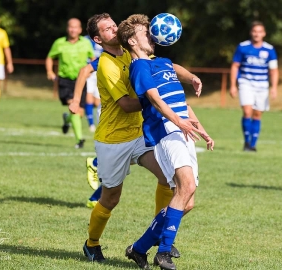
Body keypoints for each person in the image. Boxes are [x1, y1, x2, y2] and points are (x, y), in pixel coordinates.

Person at [73, 13, 205, 264]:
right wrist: (154, 97)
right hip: (113, 139)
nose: (114, 29)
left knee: (172, 181)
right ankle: (92, 243)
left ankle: (160, 236)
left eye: (114, 25)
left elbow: (166, 66)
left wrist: (189, 77)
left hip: (140, 135)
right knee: (111, 198)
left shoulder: (131, 49)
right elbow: (125, 104)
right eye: (107, 29)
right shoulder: (106, 64)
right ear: (98, 39)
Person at [116, 14, 214, 269]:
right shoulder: (140, 67)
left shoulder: (161, 62)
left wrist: (201, 129)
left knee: (187, 200)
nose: (150, 34)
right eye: (144, 32)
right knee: (186, 186)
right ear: (131, 40)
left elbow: (182, 100)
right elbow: (153, 97)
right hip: (165, 130)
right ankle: (164, 252)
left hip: (181, 130)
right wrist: (178, 122)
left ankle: (138, 249)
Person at [46, 18, 95, 149]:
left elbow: (93, 58)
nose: (73, 30)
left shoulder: (86, 43)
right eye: (70, 27)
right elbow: (50, 57)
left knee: (79, 113)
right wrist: (50, 72)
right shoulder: (59, 43)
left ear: (80, 30)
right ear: (67, 28)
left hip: (81, 80)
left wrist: (90, 70)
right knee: (75, 108)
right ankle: (80, 140)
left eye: (75, 27)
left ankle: (66, 119)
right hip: (65, 81)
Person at [230, 21, 279, 152]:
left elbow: (274, 70)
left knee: (257, 114)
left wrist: (274, 87)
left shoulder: (269, 49)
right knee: (247, 111)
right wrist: (233, 85)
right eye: (254, 31)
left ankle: (253, 144)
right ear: (251, 33)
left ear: (264, 33)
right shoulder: (243, 47)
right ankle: (246, 143)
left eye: (259, 31)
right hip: (246, 83)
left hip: (262, 86)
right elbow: (235, 66)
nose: (257, 34)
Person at [84, 35, 103, 132]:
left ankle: (99, 122)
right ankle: (91, 124)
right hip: (90, 70)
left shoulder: (106, 38)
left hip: (101, 70)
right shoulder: (85, 40)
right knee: (89, 96)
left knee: (97, 101)